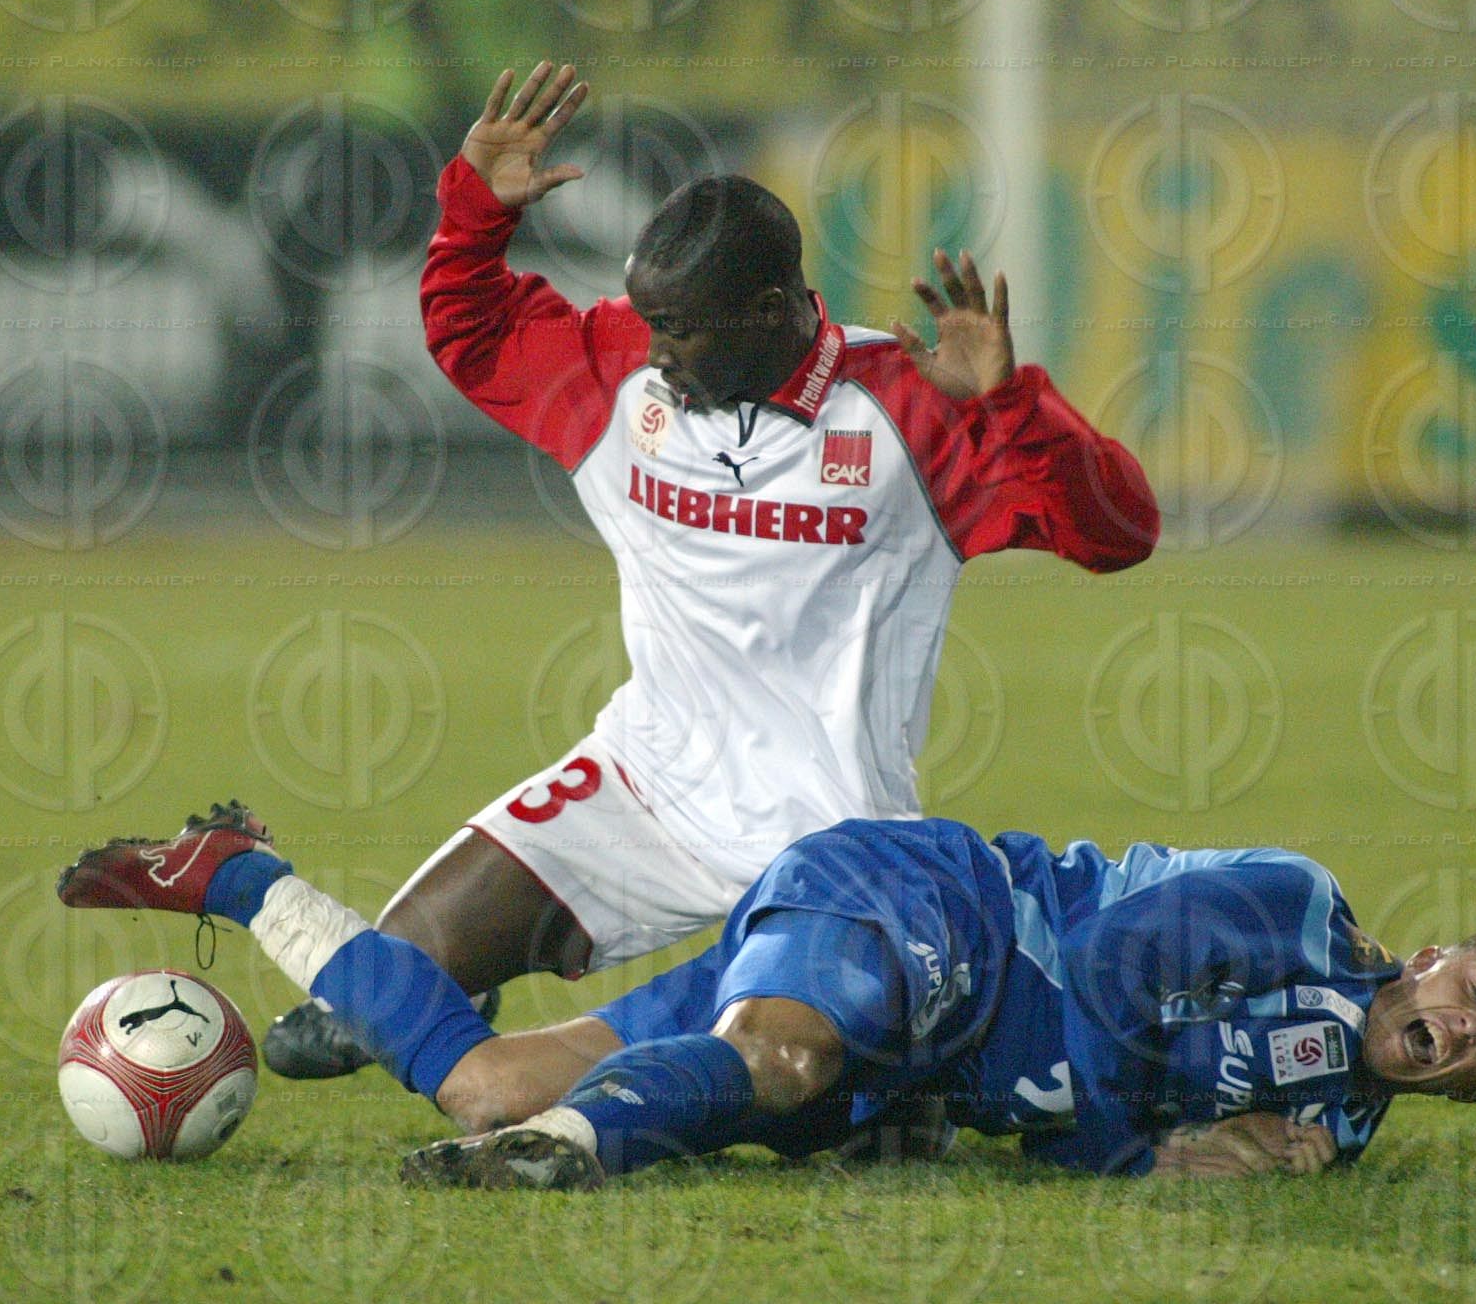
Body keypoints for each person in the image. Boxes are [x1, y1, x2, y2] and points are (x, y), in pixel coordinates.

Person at [263, 59, 1159, 1080]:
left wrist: (1011, 408)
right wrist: (473, 215)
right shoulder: (617, 371)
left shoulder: (910, 406)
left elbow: (1117, 531)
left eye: (680, 327)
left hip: (831, 842)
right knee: (360, 1008)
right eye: (649, 323)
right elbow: (470, 333)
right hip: (644, 781)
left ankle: (898, 1061)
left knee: (777, 1089)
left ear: (767, 309)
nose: (657, 351)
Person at [57, 801, 1476, 1183]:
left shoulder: (1342, 1126)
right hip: (941, 913)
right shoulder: (1299, 907)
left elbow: (1181, 1124)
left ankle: (239, 876)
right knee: (778, 1059)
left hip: (920, 1056)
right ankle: (560, 1169)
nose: (1466, 1018)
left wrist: (1236, 1159)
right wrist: (1138, 1153)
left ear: (1473, 1086)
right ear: (1427, 951)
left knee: (486, 1077)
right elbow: (1123, 971)